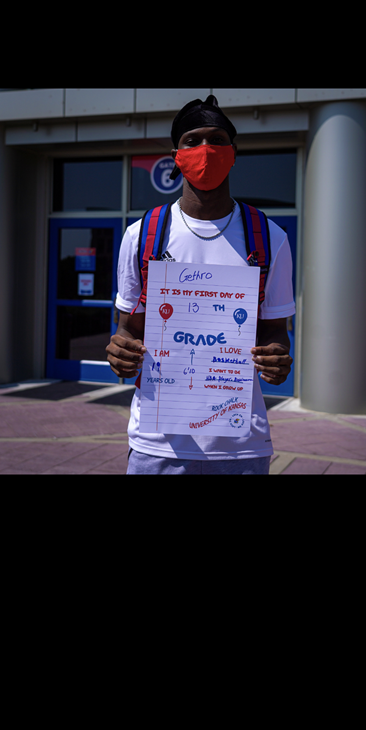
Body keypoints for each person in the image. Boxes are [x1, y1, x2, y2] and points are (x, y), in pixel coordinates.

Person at [106, 94, 295, 475]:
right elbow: (127, 329)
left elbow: (276, 332)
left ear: (233, 152)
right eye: (193, 141)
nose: (206, 150)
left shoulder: (270, 238)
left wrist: (277, 359)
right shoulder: (142, 235)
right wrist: (120, 353)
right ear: (177, 155)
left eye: (217, 140)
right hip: (157, 445)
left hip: (240, 447)